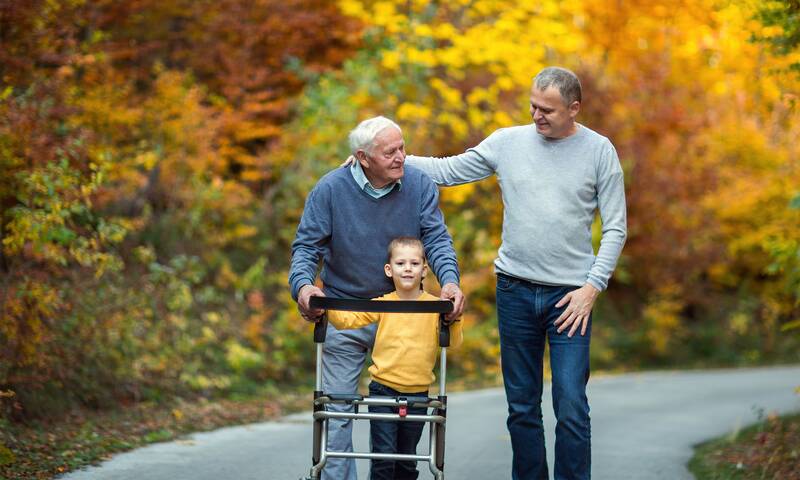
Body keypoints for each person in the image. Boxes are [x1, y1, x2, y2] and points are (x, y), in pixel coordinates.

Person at [404, 67, 627, 480]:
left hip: (571, 299)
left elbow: (616, 227)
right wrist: (388, 159)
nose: (537, 115)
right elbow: (448, 171)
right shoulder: (507, 142)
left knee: (571, 405)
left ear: (574, 108)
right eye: (533, 106)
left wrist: (592, 288)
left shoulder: (599, 151)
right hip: (515, 291)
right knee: (522, 407)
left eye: (547, 110)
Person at [289, 116, 465, 480]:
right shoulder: (330, 189)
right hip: (347, 311)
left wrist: (449, 281)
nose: (402, 157)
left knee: (400, 417)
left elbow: (436, 240)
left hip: (404, 318)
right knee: (337, 413)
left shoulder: (418, 184)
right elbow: (306, 248)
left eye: (402, 147)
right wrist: (304, 286)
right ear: (363, 158)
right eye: (390, 152)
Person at [323, 236, 463, 480]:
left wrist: (453, 317)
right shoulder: (384, 304)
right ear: (389, 270)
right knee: (384, 457)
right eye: (400, 263)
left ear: (424, 270)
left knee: (407, 460)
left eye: (414, 263)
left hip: (418, 393)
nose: (407, 268)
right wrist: (324, 304)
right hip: (383, 390)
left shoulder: (435, 306)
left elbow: (454, 341)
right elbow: (348, 320)